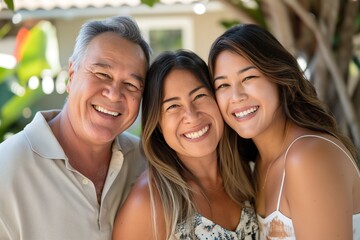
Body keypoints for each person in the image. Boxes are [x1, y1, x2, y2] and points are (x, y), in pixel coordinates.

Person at [0, 16, 151, 240]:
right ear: (71, 75)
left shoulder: (147, 163)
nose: (114, 93)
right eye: (102, 74)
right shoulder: (6, 169)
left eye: (131, 85)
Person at [208, 23, 360, 239]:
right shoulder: (257, 165)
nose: (236, 96)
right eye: (223, 85)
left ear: (278, 77)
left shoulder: (307, 156)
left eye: (248, 78)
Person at [112, 49, 259, 240]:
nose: (191, 115)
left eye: (199, 96)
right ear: (158, 124)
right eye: (173, 106)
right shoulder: (148, 204)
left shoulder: (247, 174)